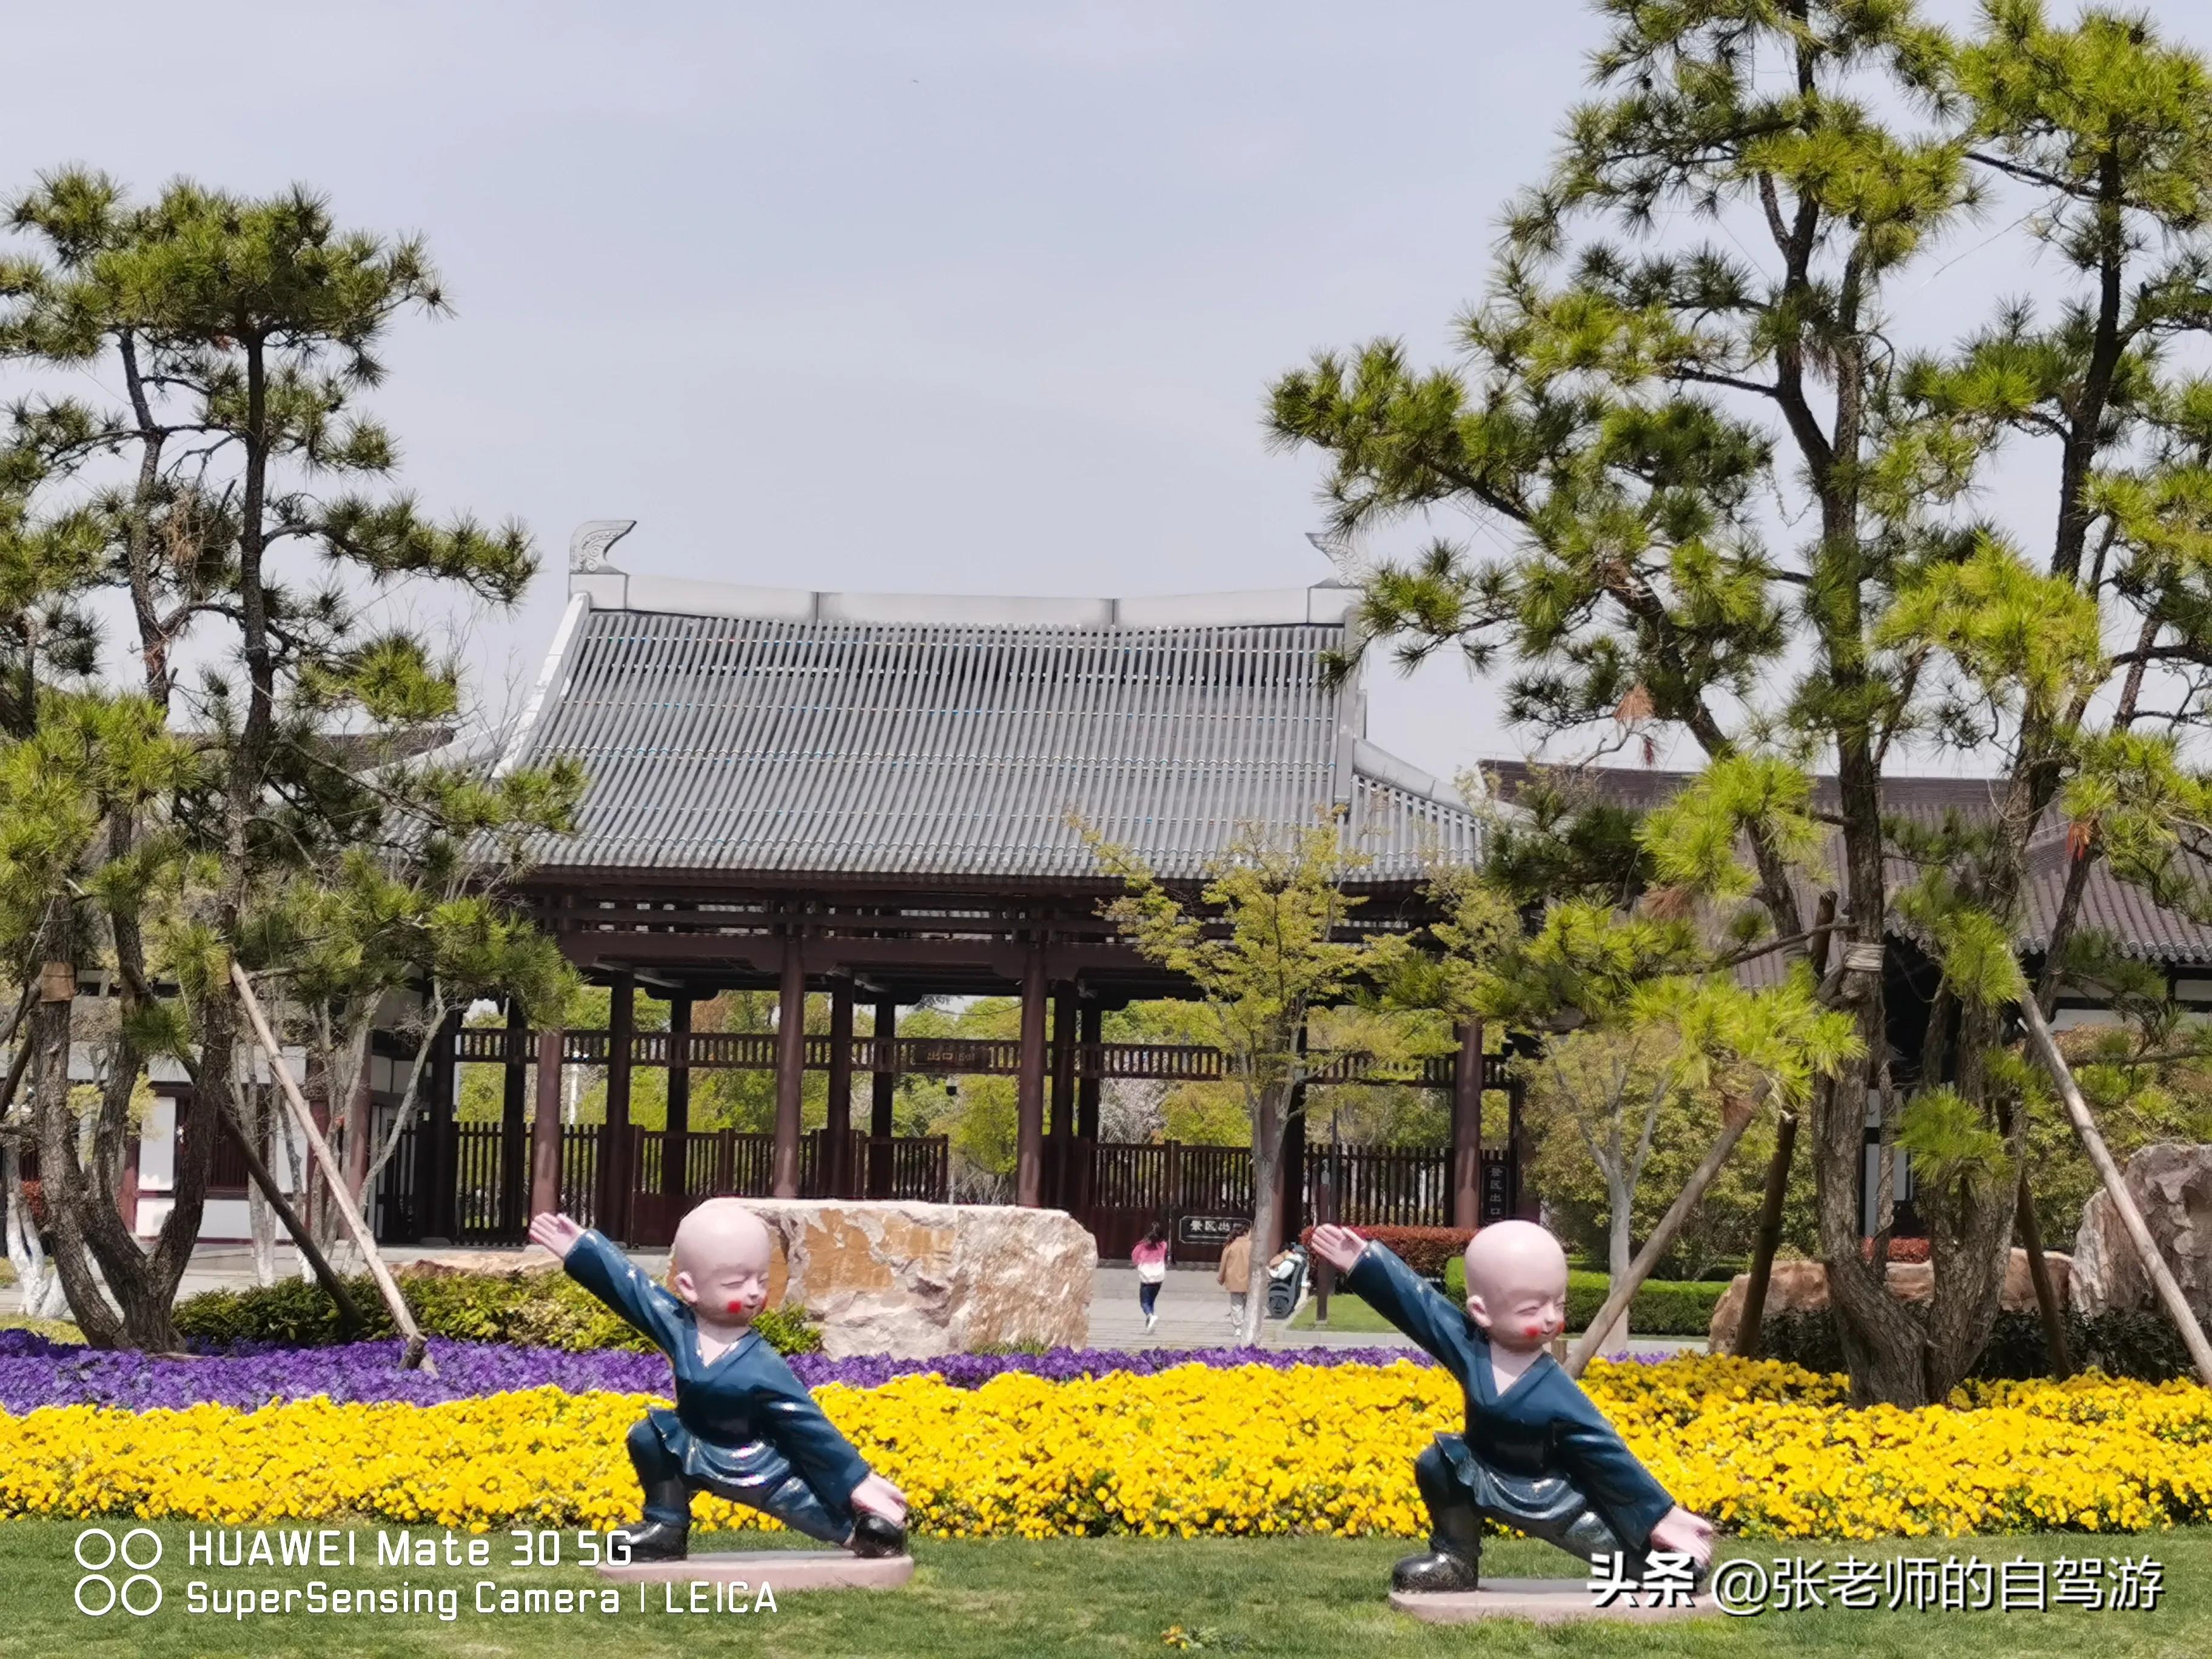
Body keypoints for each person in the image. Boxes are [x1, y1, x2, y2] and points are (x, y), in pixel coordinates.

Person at [1307, 1219, 1714, 1594]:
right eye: (1532, 1309)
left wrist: (1662, 1516)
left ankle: (1671, 1567)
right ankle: (1455, 1561)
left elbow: (1605, 1454)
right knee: (1437, 1463)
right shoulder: (1473, 1350)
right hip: (1480, 1468)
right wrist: (1364, 1262)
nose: (1553, 1318)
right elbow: (1422, 1309)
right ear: (1481, 1312)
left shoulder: (1555, 1392)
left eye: (1559, 1303)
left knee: (1638, 1563)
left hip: (1550, 1496)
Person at [529, 1199, 910, 1563]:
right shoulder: (682, 1330)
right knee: (649, 1437)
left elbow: (807, 1425)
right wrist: (582, 1249)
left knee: (819, 1515)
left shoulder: (763, 1364)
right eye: (735, 1283)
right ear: (689, 1288)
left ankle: (864, 1535)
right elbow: (634, 1292)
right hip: (692, 1443)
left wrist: (857, 1481)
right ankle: (666, 1526)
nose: (753, 1293)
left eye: (761, 1280)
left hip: (754, 1464)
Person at [1131, 1224, 1170, 1333]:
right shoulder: (1163, 1245)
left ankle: (1150, 1316)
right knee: (1151, 1301)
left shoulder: (1141, 1247)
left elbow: (1134, 1259)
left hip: (1146, 1278)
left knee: (1144, 1302)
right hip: (1159, 1277)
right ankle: (1150, 1325)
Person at [1216, 1222, 1252, 1330]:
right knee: (1249, 1302)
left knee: (1237, 1303)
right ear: (1246, 1233)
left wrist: (1221, 1278)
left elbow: (1224, 1264)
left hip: (1234, 1278)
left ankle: (1238, 1327)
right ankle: (1248, 1324)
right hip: (1249, 1278)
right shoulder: (1252, 1246)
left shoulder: (1230, 1246)